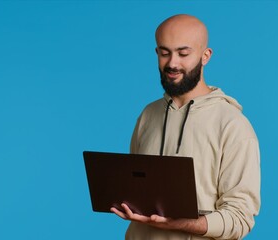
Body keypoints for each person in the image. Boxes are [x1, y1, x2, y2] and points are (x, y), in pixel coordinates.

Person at [111, 14, 261, 240]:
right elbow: (138, 187)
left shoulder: (233, 125)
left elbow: (240, 218)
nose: (172, 63)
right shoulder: (148, 115)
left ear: (205, 56)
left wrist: (183, 224)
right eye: (164, 53)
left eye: (183, 53)